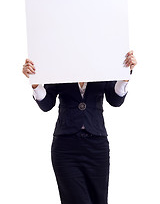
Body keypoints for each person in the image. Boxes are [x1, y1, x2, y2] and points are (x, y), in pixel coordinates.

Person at [22, 50, 137, 204]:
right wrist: (35, 82)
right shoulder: (59, 63)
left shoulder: (103, 63)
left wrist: (124, 76)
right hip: (65, 148)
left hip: (97, 147)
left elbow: (115, 100)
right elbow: (46, 104)